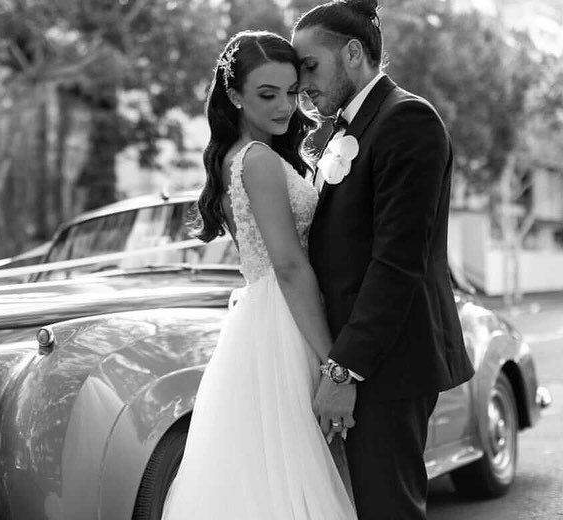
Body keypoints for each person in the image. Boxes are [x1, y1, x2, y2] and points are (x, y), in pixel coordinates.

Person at [161, 30, 357, 519]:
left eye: (292, 92)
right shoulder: (260, 161)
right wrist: (334, 361)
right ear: (233, 95)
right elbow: (290, 267)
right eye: (267, 95)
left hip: (261, 322)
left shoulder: (237, 158)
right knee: (297, 478)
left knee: (270, 478)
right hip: (288, 323)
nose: (285, 107)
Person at [291, 1, 476, 518]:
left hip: (386, 364)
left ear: (352, 53)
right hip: (357, 357)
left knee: (387, 509)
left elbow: (397, 262)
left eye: (310, 66)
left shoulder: (407, 120)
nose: (302, 83)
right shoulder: (343, 130)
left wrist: (345, 371)